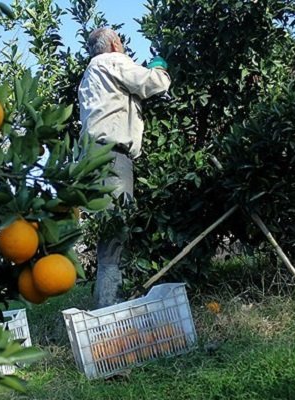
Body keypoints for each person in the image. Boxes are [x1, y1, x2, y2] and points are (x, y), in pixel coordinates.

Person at [78, 27, 171, 308]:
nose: (123, 45)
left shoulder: (89, 75)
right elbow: (152, 83)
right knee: (116, 235)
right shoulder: (111, 61)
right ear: (114, 44)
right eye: (120, 40)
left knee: (107, 234)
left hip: (93, 158)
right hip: (112, 156)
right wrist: (159, 67)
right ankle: (112, 311)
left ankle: (110, 303)